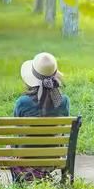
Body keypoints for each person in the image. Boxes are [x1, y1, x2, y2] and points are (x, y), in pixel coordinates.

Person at [11, 52, 70, 182]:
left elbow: (16, 132)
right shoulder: (63, 101)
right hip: (53, 158)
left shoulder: (22, 102)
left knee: (9, 147)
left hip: (26, 158)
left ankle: (18, 186)